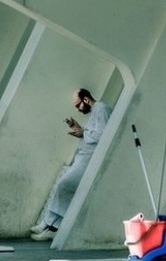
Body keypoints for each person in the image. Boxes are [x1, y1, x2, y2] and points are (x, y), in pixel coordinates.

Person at [30, 88, 111, 241]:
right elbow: (93, 133)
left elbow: (103, 135)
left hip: (90, 159)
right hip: (83, 157)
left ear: (86, 100)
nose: (78, 109)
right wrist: (80, 129)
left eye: (77, 105)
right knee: (64, 186)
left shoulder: (101, 109)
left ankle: (52, 225)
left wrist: (83, 133)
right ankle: (49, 223)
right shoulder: (95, 111)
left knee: (65, 185)